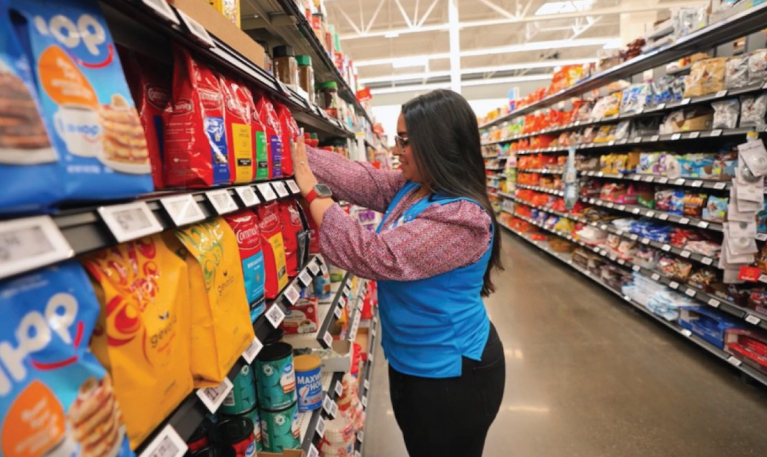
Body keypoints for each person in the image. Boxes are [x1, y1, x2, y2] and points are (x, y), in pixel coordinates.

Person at [292, 89, 505, 457]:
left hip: (453, 374)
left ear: (436, 144)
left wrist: (313, 195)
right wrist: (295, 153)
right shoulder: (416, 189)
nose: (394, 150)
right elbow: (366, 181)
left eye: (405, 141)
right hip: (412, 361)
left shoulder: (463, 218)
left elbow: (377, 256)